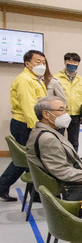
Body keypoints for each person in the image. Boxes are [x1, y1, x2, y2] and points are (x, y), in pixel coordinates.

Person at [25, 96, 82, 201]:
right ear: (46, 114)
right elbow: (63, 172)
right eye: (61, 110)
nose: (66, 114)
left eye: (66, 110)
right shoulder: (48, 138)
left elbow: (66, 163)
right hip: (68, 186)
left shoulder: (45, 132)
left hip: (68, 180)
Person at [0, 50, 48, 202]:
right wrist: (38, 127)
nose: (42, 65)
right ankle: (2, 186)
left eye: (44, 62)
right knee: (25, 159)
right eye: (38, 61)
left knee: (32, 159)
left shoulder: (36, 79)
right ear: (27, 63)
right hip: (25, 123)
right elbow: (29, 107)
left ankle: (35, 193)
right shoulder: (25, 80)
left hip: (28, 123)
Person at [54, 52, 82, 151]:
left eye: (75, 62)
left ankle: (73, 162)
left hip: (75, 115)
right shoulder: (56, 78)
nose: (73, 63)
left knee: (74, 141)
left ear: (78, 64)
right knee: (59, 140)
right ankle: (60, 162)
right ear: (65, 62)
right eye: (70, 61)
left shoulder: (81, 80)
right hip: (60, 114)